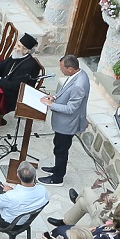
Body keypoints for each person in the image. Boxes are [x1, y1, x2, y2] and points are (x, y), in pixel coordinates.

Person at [39, 55, 90, 185]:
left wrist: (51, 105)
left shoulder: (79, 85)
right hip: (64, 123)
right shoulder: (77, 74)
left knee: (61, 150)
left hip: (67, 124)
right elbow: (66, 90)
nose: (60, 70)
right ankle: (57, 168)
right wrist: (55, 97)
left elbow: (71, 108)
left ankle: (57, 178)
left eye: (62, 68)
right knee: (58, 146)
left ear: (70, 68)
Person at [50, 166, 120, 229]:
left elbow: (106, 216)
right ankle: (66, 222)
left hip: (104, 222)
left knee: (86, 191)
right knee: (82, 202)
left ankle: (75, 204)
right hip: (116, 219)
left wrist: (106, 203)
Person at [0, 34, 43, 117]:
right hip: (4, 85)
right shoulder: (17, 55)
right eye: (17, 44)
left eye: (18, 46)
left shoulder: (30, 66)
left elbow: (16, 86)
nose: (14, 47)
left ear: (25, 51)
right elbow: (1, 65)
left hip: (12, 96)